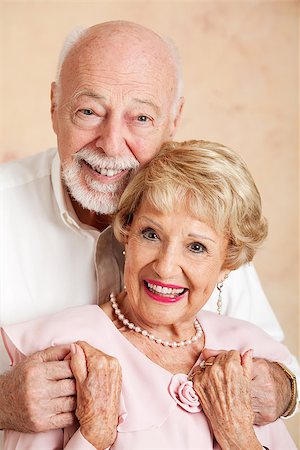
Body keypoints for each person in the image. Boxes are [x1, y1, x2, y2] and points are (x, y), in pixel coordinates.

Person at [0, 20, 298, 436]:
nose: (111, 143)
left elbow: (278, 363)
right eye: (89, 111)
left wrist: (280, 390)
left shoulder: (205, 212)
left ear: (173, 119)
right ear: (54, 105)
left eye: (140, 117)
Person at [1, 140, 297, 449]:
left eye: (196, 247)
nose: (166, 268)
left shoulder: (251, 355)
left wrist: (240, 440)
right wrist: (92, 438)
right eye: (151, 234)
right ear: (126, 233)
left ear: (228, 264)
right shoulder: (64, 349)